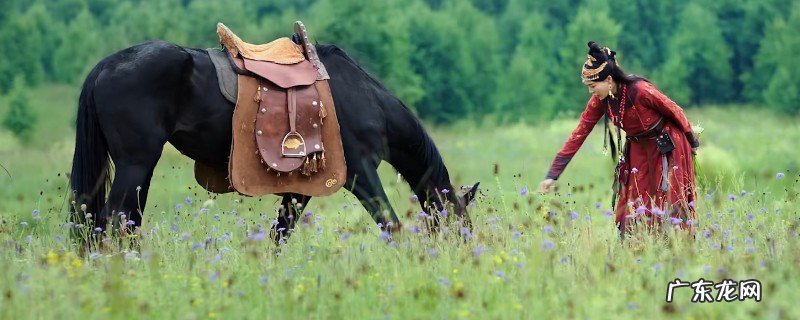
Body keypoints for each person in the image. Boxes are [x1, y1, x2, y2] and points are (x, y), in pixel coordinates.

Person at [538, 41, 700, 235]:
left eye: (593, 86)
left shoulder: (641, 90)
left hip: (668, 145)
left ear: (608, 80)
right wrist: (552, 175)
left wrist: (692, 142)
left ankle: (677, 248)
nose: (591, 91)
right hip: (638, 149)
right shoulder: (600, 101)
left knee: (671, 199)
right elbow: (578, 134)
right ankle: (640, 249)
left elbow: (674, 110)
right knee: (637, 201)